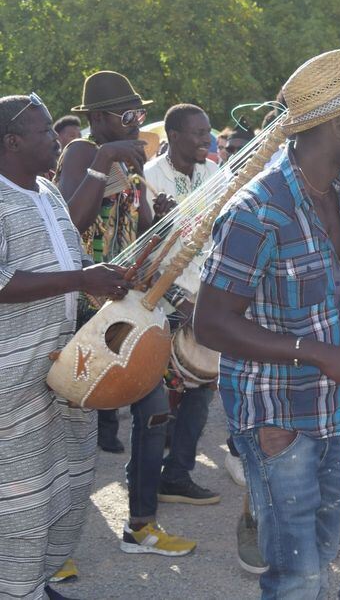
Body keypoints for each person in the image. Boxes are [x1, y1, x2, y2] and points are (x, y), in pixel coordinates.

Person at [195, 49, 340, 599]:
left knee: (318, 561)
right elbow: (211, 324)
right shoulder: (258, 209)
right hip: (276, 416)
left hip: (324, 412)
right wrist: (320, 353)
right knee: (296, 576)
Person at [55, 71, 193, 557]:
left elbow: (134, 237)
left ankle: (141, 525)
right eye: (127, 116)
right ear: (97, 120)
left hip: (124, 310)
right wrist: (104, 158)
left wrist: (164, 221)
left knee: (154, 413)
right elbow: (70, 224)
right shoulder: (81, 153)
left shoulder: (133, 162)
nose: (138, 123)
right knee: (69, 431)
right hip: (81, 312)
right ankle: (52, 552)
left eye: (139, 114)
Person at [0, 93, 132, 600]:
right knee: (20, 506)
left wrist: (100, 283)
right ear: (12, 142)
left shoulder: (49, 193)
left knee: (69, 489)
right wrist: (80, 277)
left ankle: (35, 581)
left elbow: (65, 266)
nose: (58, 141)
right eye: (43, 134)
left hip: (62, 373)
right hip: (13, 385)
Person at [142, 103, 223, 506]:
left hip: (207, 298)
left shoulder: (214, 173)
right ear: (173, 136)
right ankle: (144, 481)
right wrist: (178, 300)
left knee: (201, 390)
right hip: (168, 302)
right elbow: (139, 256)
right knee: (156, 396)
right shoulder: (150, 179)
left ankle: (177, 474)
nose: (206, 139)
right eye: (197, 132)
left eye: (208, 131)